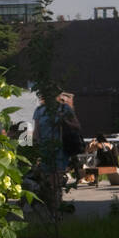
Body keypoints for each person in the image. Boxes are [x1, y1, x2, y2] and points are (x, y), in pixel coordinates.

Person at [31, 86, 80, 214]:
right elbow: (36, 131)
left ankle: (56, 208)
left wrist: (63, 120)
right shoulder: (39, 110)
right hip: (45, 149)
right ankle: (54, 206)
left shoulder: (65, 108)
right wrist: (35, 148)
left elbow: (76, 126)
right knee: (46, 180)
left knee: (55, 179)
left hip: (60, 148)